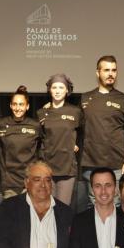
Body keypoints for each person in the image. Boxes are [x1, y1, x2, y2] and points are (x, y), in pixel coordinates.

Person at [80, 55, 124, 205]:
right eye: (106, 70)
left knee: (115, 204)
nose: (110, 74)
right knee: (93, 204)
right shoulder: (85, 98)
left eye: (114, 70)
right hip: (91, 163)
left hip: (116, 164)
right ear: (98, 72)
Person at [37, 74, 82, 205]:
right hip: (47, 167)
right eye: (54, 87)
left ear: (67, 90)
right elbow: (39, 139)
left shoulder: (75, 111)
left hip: (67, 167)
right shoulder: (41, 113)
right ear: (49, 90)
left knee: (62, 208)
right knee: (47, 207)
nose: (57, 91)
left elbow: (83, 132)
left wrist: (76, 144)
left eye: (61, 87)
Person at [0, 85, 41, 199]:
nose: (18, 108)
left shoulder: (35, 125)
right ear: (10, 105)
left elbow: (46, 145)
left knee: (29, 210)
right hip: (9, 182)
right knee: (11, 210)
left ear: (27, 106)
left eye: (21, 104)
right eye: (15, 104)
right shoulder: (1, 124)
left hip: (29, 180)